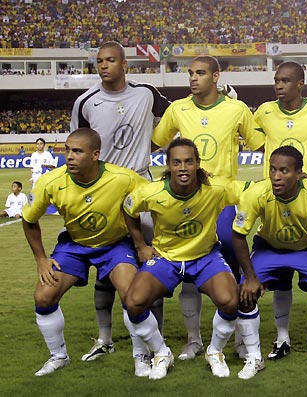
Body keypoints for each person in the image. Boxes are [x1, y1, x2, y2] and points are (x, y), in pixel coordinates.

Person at [152, 55, 264, 361]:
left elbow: (258, 142)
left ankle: (243, 339)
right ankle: (194, 340)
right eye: (190, 73)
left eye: (200, 73)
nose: (193, 78)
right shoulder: (177, 108)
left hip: (224, 201)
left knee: (234, 270)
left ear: (216, 76)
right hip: (187, 202)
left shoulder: (236, 109)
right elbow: (155, 141)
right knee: (190, 269)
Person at [70, 40, 171, 363]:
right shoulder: (86, 102)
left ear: (125, 64)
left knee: (151, 265)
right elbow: (78, 145)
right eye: (99, 61)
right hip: (103, 192)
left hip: (142, 187)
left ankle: (158, 337)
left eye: (110, 60)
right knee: (105, 266)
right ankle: (105, 338)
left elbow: (177, 117)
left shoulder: (146, 93)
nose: (103, 65)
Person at [21, 128, 147, 377]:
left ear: (95, 154)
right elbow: (28, 219)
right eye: (67, 150)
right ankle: (58, 357)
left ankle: (141, 356)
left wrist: (143, 244)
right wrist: (41, 259)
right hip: (74, 245)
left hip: (115, 244)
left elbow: (156, 196)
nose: (69, 156)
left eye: (77, 151)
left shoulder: (123, 178)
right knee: (44, 296)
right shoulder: (51, 181)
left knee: (132, 296)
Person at [123, 138, 241, 379]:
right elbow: (128, 209)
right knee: (134, 303)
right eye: (177, 162)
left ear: (198, 163)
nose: (183, 168)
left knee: (230, 301)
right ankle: (161, 353)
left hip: (205, 256)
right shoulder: (151, 192)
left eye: (189, 161)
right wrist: (140, 245)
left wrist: (298, 178)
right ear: (168, 165)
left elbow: (253, 191)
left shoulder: (216, 188)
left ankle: (215, 352)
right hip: (166, 258)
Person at [232, 146, 307, 379]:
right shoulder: (257, 193)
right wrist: (250, 278)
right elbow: (238, 234)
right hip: (269, 247)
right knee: (245, 294)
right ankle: (254, 357)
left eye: (284, 171)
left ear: (299, 173)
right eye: (273, 170)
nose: (276, 176)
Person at [253, 61, 307, 360]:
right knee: (281, 276)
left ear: (301, 83)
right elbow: (255, 140)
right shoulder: (264, 112)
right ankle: (282, 338)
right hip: (276, 200)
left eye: (286, 80)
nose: (279, 85)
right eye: (277, 80)